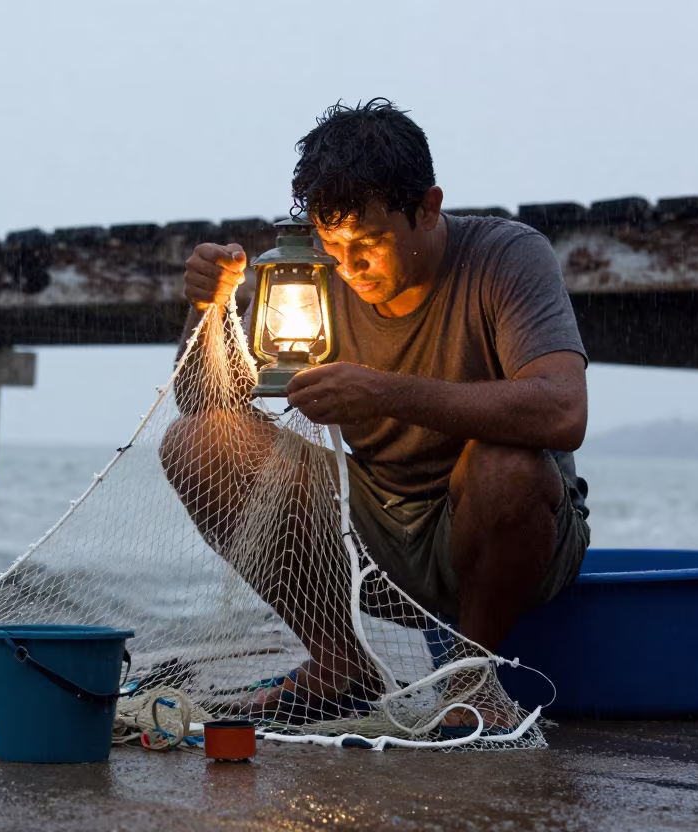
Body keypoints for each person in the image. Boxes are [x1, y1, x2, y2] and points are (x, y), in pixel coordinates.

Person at [160, 98, 590, 722]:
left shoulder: (506, 257)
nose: (350, 263)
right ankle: (338, 660)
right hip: (372, 533)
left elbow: (562, 411)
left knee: (506, 465)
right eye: (333, 242)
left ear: (430, 207)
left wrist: (383, 390)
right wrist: (211, 308)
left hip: (512, 533)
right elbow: (205, 401)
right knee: (200, 441)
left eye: (371, 241)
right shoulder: (313, 274)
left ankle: (471, 678)